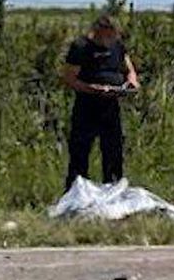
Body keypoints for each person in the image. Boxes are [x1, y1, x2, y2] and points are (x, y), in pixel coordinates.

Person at [60, 14, 140, 189]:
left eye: (113, 35)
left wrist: (131, 82)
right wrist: (93, 88)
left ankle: (113, 187)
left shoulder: (118, 46)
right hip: (87, 105)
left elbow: (129, 69)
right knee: (80, 149)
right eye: (107, 35)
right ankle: (76, 188)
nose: (110, 39)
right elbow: (69, 78)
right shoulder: (81, 47)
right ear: (97, 32)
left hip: (111, 105)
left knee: (113, 149)